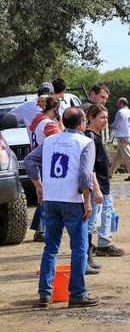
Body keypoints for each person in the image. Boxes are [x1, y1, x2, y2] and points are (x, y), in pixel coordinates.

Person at [24, 107, 100, 308]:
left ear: (64, 123)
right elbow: (85, 175)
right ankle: (77, 294)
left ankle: (45, 294)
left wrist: (39, 187)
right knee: (78, 249)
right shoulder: (85, 142)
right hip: (73, 201)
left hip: (51, 200)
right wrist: (87, 201)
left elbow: (30, 160)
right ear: (82, 123)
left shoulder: (50, 141)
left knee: (50, 248)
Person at [85, 104, 125, 259]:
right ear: (91, 118)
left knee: (106, 213)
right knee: (92, 218)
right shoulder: (90, 137)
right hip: (97, 186)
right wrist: (96, 187)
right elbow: (90, 166)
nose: (105, 121)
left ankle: (102, 243)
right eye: (102, 117)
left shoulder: (96, 136)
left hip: (102, 184)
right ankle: (97, 247)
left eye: (107, 118)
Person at [28, 96, 63, 242]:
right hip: (47, 163)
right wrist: (60, 123)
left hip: (39, 162)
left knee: (43, 197)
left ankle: (40, 228)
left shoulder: (38, 121)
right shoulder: (49, 124)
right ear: (55, 109)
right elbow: (61, 141)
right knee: (46, 198)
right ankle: (41, 230)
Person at [108, 97, 130, 181]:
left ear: (121, 103)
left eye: (118, 102)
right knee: (118, 157)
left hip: (122, 137)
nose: (117, 104)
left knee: (127, 156)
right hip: (128, 136)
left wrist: (109, 126)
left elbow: (116, 125)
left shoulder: (120, 112)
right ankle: (109, 174)